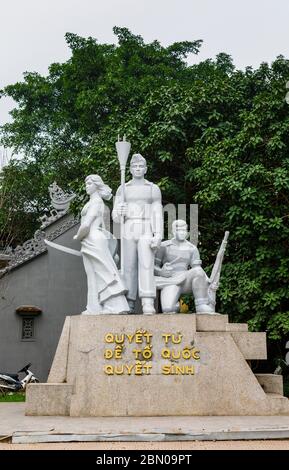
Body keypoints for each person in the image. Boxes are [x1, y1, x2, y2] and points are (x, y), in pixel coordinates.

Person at [112, 154, 163, 314]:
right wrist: (119, 211)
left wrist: (158, 234)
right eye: (135, 166)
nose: (138, 169)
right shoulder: (123, 188)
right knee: (128, 266)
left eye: (141, 166)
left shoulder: (152, 188)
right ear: (130, 169)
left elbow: (157, 211)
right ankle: (129, 301)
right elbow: (115, 217)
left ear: (146, 169)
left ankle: (148, 301)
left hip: (146, 226)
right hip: (128, 227)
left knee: (147, 264)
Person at [74, 175, 129, 314]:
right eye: (85, 183)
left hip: (92, 238)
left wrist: (77, 236)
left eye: (89, 183)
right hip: (92, 239)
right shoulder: (95, 202)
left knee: (102, 273)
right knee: (94, 274)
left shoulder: (97, 202)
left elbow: (86, 224)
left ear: (96, 185)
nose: (86, 186)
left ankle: (115, 305)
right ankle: (94, 307)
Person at [155, 219, 214, 314]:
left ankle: (201, 305)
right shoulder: (164, 246)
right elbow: (153, 267)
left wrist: (208, 280)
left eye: (184, 230)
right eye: (179, 230)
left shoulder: (192, 248)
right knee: (168, 309)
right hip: (169, 280)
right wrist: (161, 272)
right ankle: (175, 306)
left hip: (186, 279)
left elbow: (198, 269)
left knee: (198, 271)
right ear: (173, 231)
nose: (182, 232)